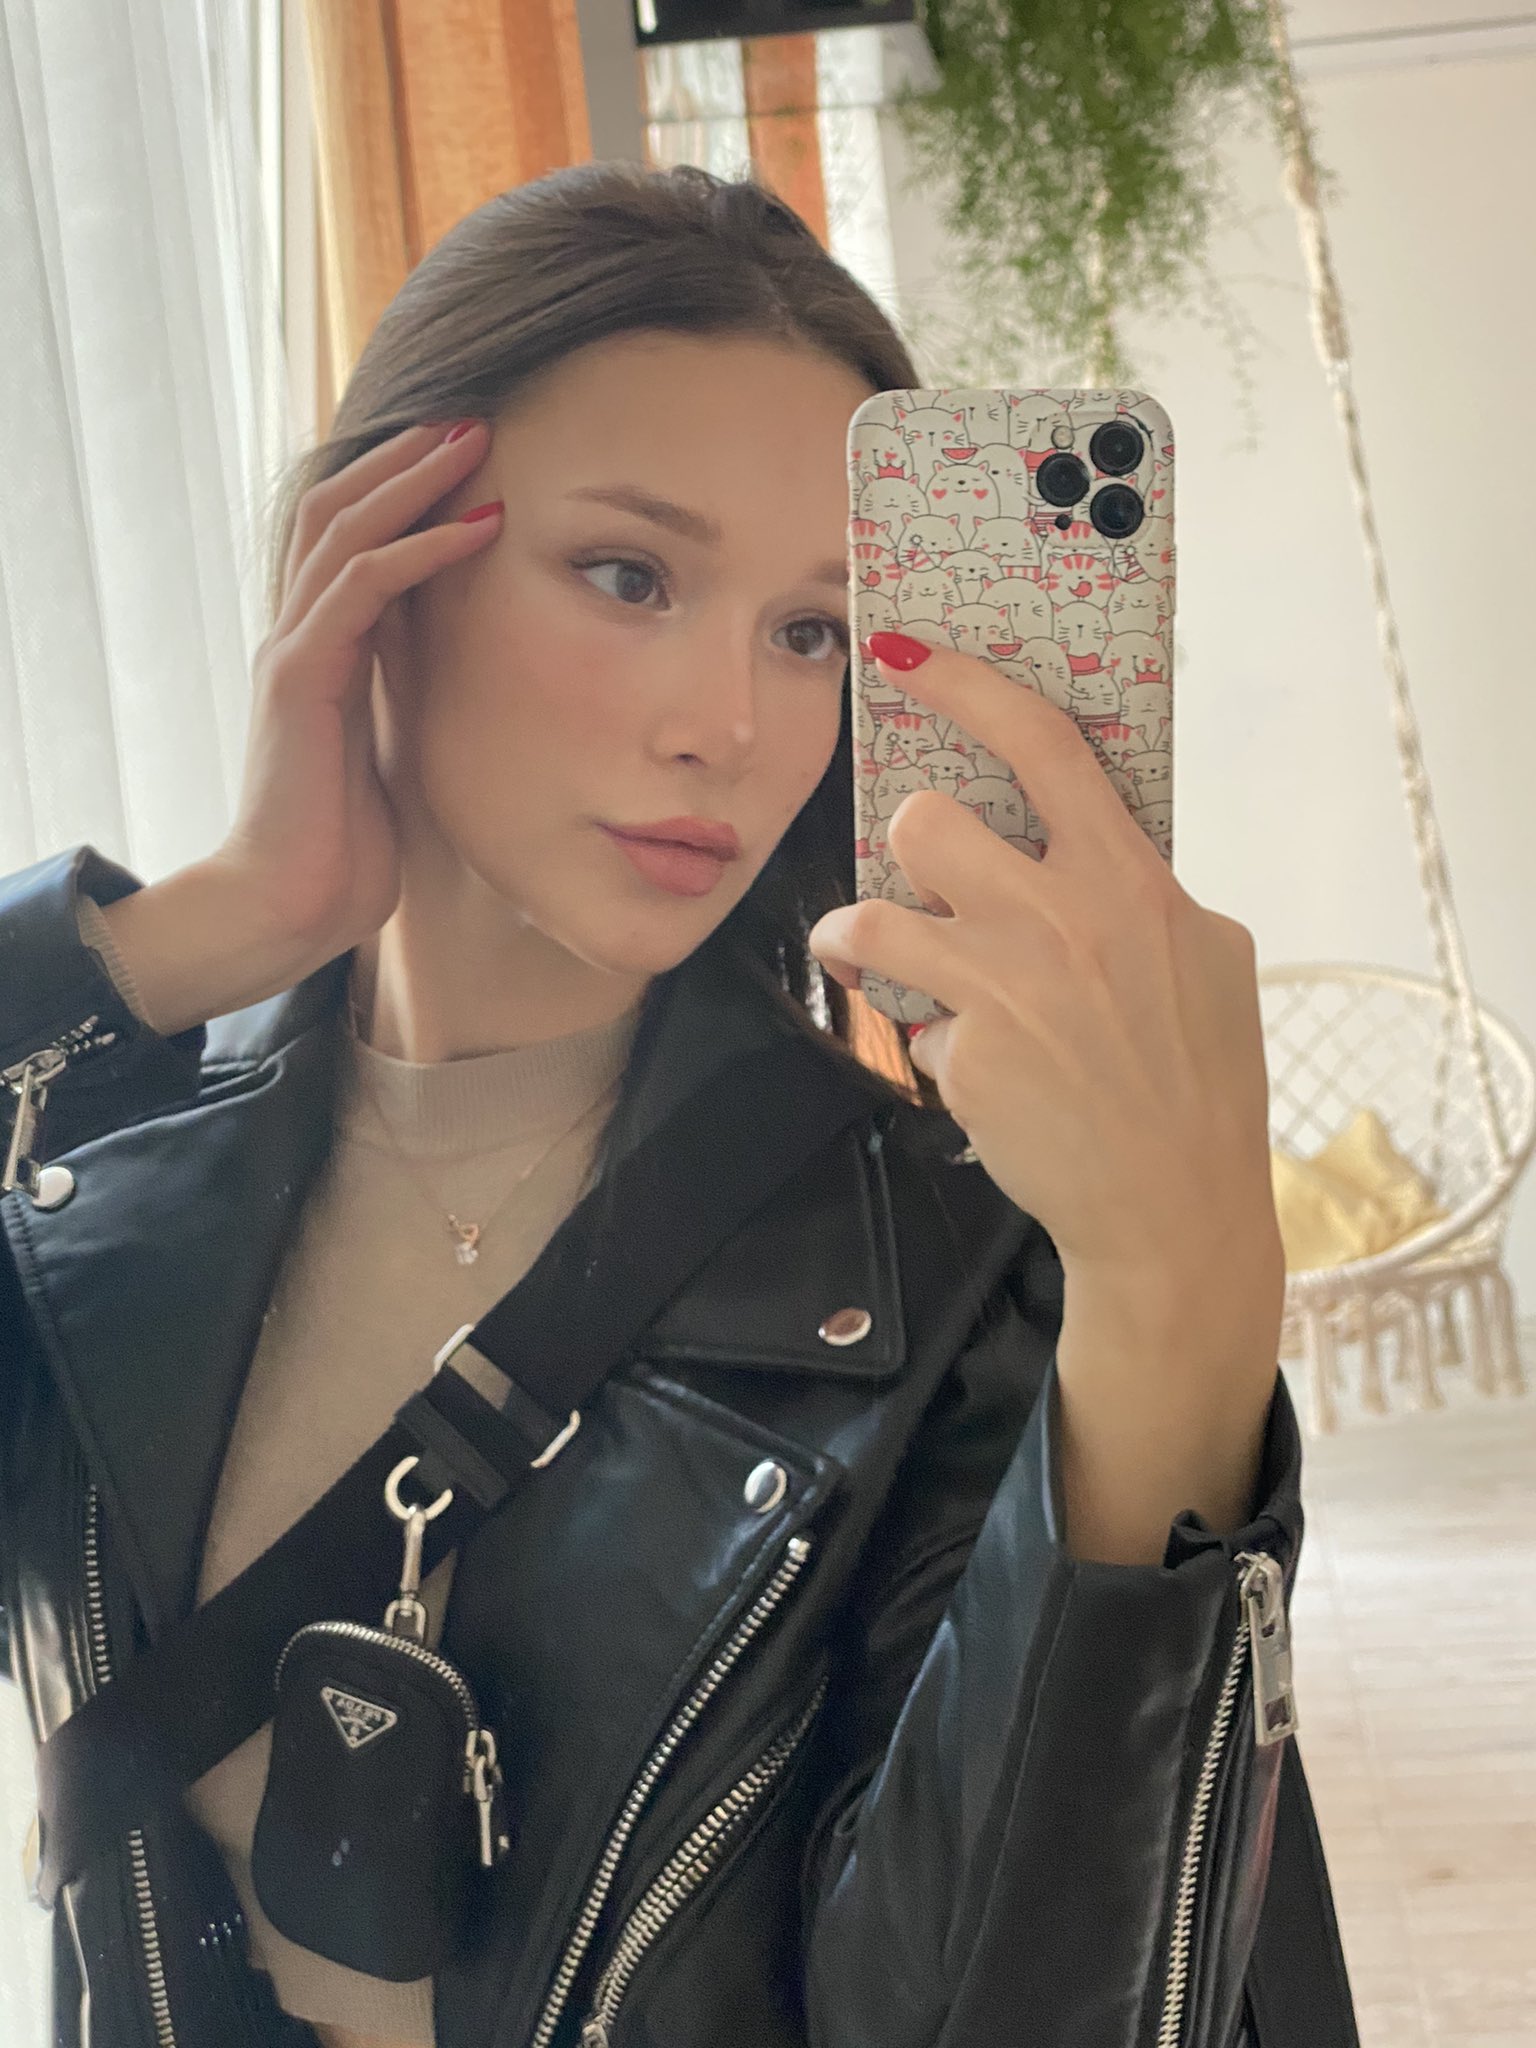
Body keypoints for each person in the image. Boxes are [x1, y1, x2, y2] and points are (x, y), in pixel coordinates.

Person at [0, 163, 1357, 2048]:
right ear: (372, 559)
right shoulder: (92, 1181)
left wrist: (1181, 1312)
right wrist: (200, 929)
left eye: (812, 631)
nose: (729, 721)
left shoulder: (944, 1285)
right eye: (630, 576)